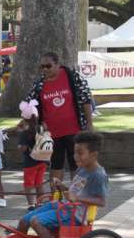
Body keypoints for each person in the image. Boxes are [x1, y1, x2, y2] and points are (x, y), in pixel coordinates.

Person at [0, 132, 108, 238]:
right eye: (75, 152)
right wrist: (62, 186)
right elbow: (76, 190)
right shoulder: (82, 168)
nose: (75, 156)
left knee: (36, 221)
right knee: (24, 220)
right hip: (64, 207)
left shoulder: (98, 175)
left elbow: (101, 201)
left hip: (75, 215)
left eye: (80, 153)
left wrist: (76, 198)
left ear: (94, 154)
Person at [23, 52, 94, 183]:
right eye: (42, 67)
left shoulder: (72, 76)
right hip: (52, 133)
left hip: (75, 130)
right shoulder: (39, 84)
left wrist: (89, 123)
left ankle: (76, 197)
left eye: (48, 66)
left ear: (57, 64)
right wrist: (35, 123)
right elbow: (28, 104)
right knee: (56, 165)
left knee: (76, 165)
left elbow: (86, 99)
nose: (45, 69)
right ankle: (56, 198)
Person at [18, 100, 47, 210]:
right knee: (39, 183)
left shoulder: (25, 133)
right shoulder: (41, 128)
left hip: (30, 162)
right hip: (42, 160)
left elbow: (23, 148)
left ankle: (31, 204)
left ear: (24, 118)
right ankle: (40, 203)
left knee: (29, 185)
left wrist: (19, 147)